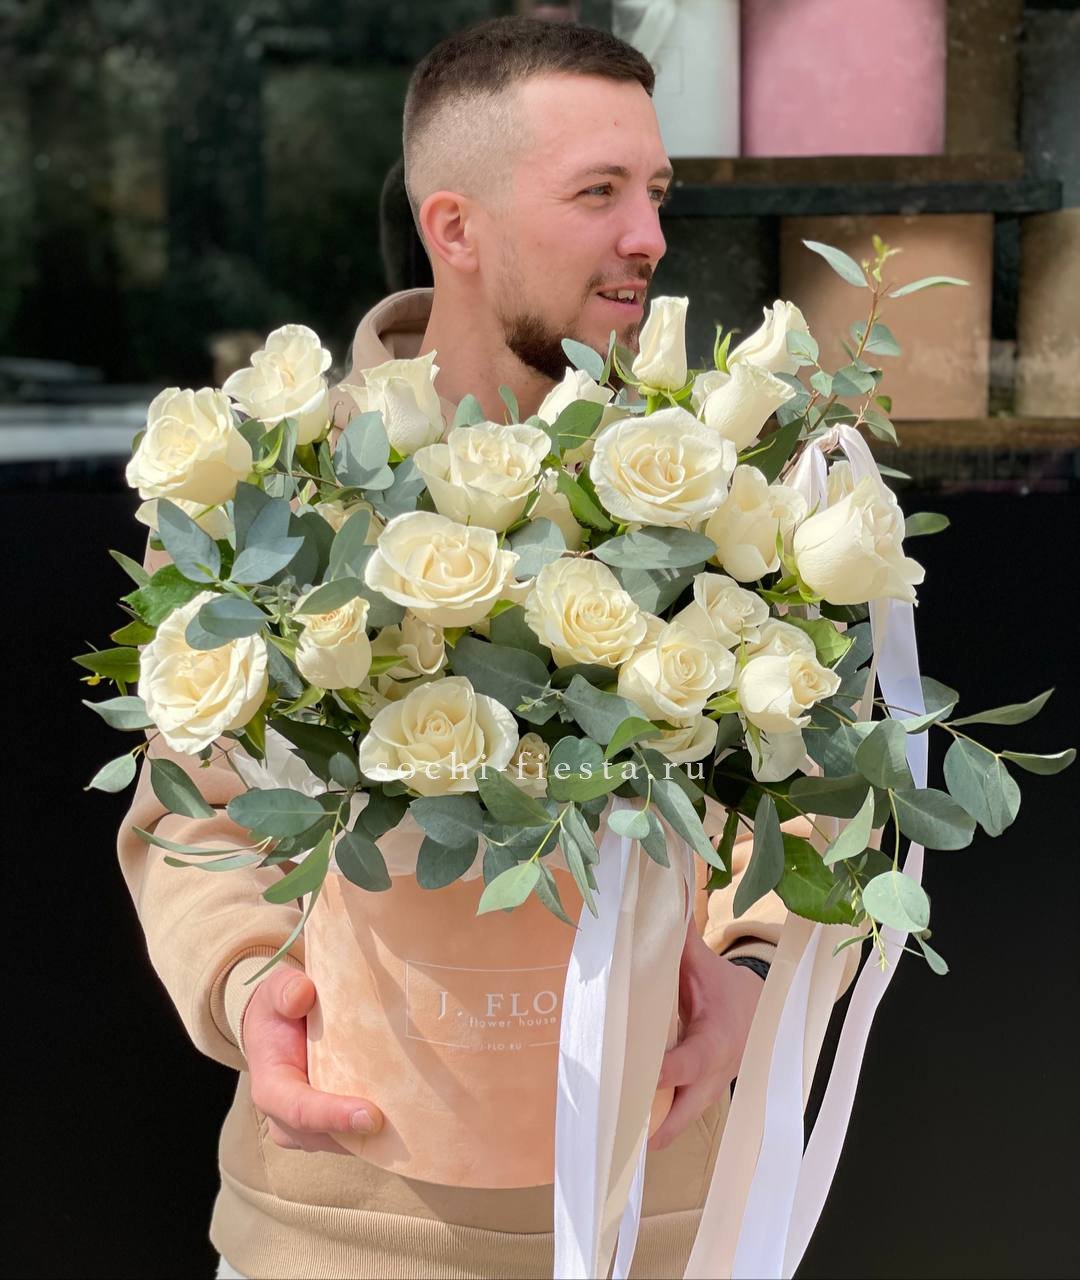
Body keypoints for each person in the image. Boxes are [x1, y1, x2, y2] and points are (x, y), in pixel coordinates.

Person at [118, 16, 857, 1279]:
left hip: (657, 1224)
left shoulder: (730, 489)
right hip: (334, 1231)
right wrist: (247, 990)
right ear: (455, 228)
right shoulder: (265, 493)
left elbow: (812, 804)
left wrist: (749, 975)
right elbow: (193, 817)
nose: (650, 235)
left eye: (657, 190)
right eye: (600, 192)